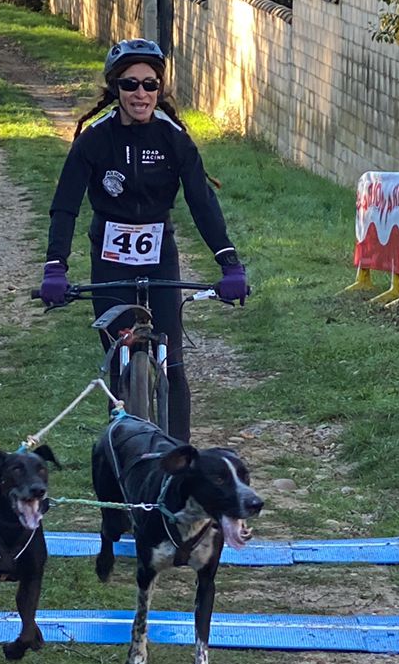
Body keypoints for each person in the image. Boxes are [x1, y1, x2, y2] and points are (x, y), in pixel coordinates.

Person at [41, 40, 247, 442]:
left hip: (159, 253)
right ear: (115, 89)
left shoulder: (174, 139)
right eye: (130, 84)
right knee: (119, 360)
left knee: (172, 361)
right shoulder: (94, 140)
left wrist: (230, 264)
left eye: (150, 85)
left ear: (160, 89)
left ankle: (179, 461)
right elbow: (65, 205)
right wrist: (55, 266)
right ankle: (121, 454)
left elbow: (201, 202)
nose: (140, 94)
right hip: (110, 253)